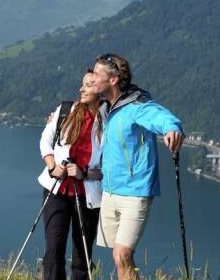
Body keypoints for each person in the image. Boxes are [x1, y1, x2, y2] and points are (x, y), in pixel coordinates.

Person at [92, 53, 185, 280]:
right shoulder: (107, 107)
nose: (92, 78)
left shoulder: (137, 105)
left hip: (135, 191)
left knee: (123, 254)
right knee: (117, 255)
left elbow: (159, 116)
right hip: (111, 189)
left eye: (96, 74)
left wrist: (171, 128)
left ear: (113, 80)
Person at [37, 70, 105, 280]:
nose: (81, 89)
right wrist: (52, 167)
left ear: (101, 89)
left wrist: (85, 173)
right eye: (82, 84)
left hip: (88, 195)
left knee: (82, 253)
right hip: (56, 189)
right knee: (54, 250)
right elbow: (45, 142)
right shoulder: (66, 110)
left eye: (89, 85)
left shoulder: (109, 120)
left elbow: (110, 168)